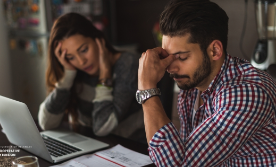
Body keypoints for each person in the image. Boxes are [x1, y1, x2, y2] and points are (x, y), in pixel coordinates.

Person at [137, 0, 276, 166]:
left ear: (214, 51)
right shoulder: (192, 85)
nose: (171, 68)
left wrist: (147, 89)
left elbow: (178, 164)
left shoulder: (247, 93)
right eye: (167, 57)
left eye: (181, 57)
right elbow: (181, 152)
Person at [38, 13, 145, 142]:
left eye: (83, 50)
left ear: (98, 39)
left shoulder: (128, 64)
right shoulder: (75, 70)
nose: (81, 61)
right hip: (93, 146)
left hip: (131, 148)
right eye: (71, 57)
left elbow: (102, 127)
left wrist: (105, 74)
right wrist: (67, 77)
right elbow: (46, 123)